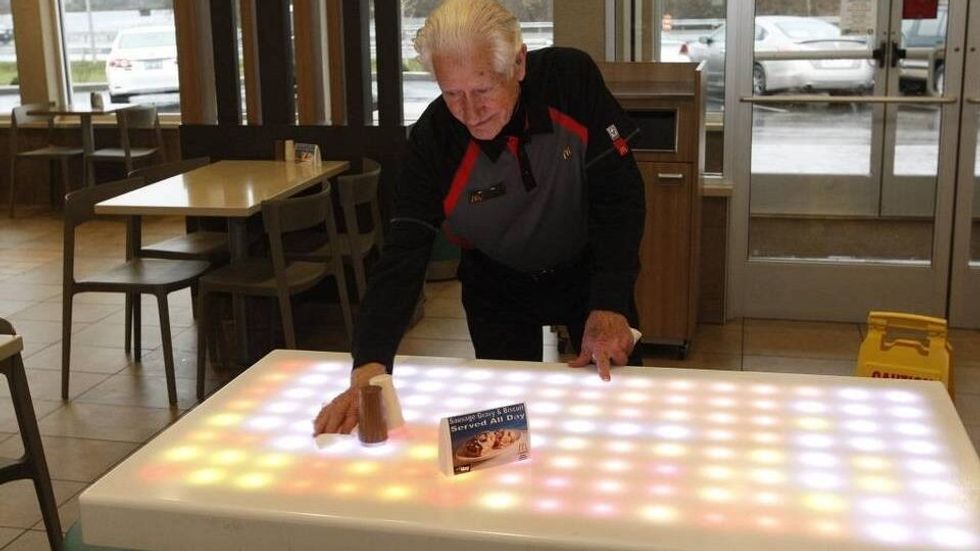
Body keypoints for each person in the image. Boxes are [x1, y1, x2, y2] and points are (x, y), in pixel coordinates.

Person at [313, 0, 645, 435]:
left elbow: (619, 197)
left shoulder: (570, 80)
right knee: (509, 427)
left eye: (483, 90)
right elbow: (402, 255)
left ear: (519, 63)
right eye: (452, 93)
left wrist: (610, 300)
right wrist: (368, 368)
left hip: (587, 271)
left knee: (615, 412)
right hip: (497, 285)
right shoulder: (433, 141)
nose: (470, 112)